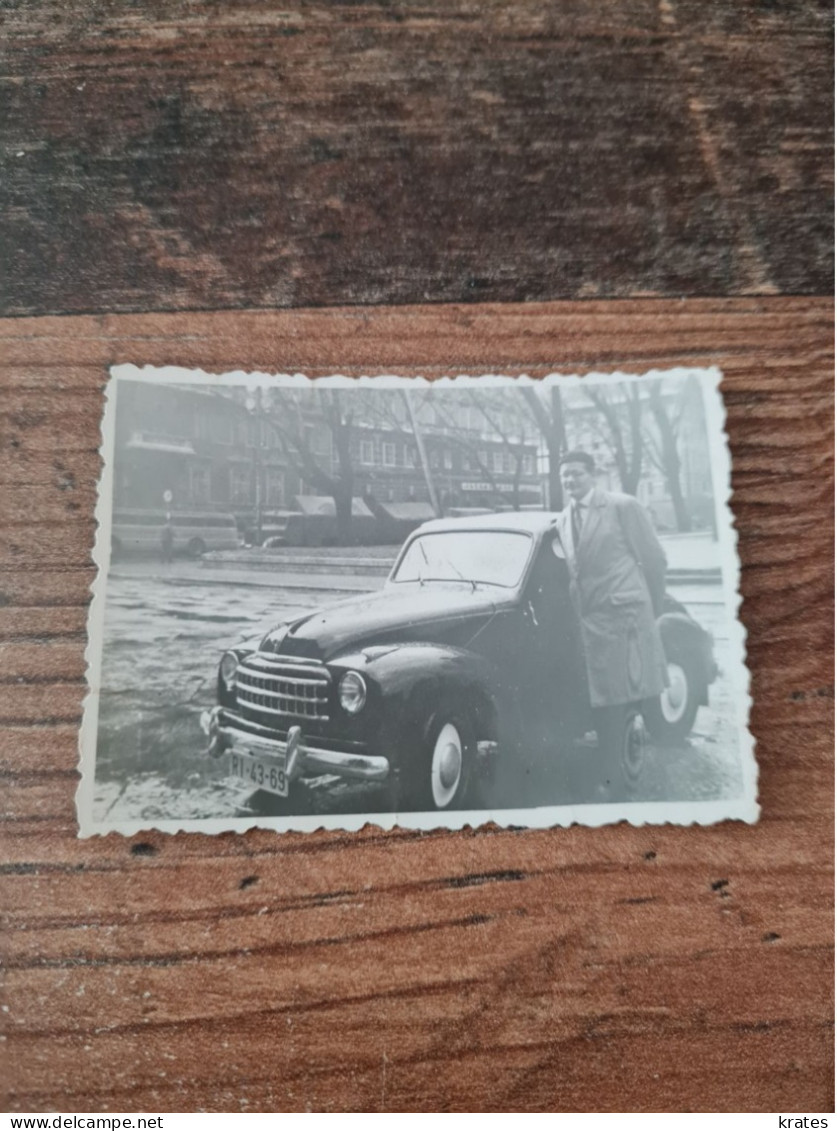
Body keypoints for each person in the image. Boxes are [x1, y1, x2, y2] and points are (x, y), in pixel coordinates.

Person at [556, 450, 668, 772]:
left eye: (576, 473)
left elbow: (654, 559)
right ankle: (612, 774)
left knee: (623, 697)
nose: (569, 480)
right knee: (604, 701)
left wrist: (652, 607)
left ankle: (619, 778)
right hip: (589, 621)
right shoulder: (563, 518)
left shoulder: (622, 506)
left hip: (625, 617)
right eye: (565, 475)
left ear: (593, 475)